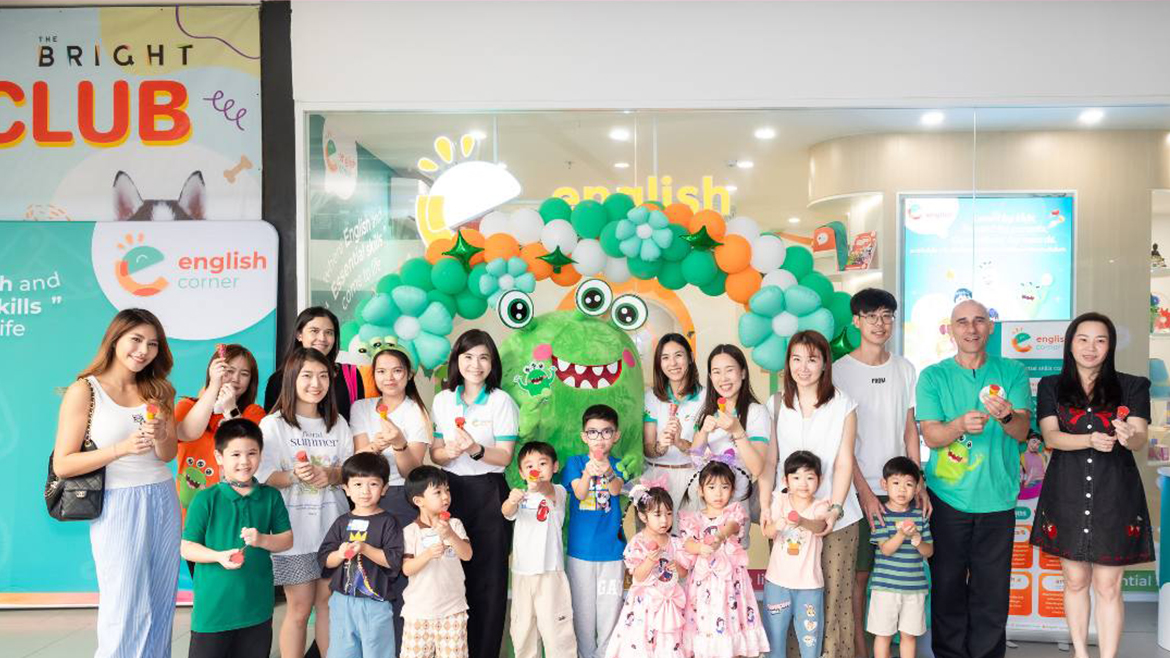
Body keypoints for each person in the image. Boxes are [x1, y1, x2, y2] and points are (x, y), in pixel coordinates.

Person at [52, 308, 181, 658]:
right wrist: (120, 449)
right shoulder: (85, 390)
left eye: (153, 344)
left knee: (160, 600)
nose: (144, 351)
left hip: (162, 496)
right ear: (114, 340)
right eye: (136, 340)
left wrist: (161, 434)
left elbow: (168, 454)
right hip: (116, 502)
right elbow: (63, 463)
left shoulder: (160, 390)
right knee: (123, 604)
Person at [1029, 312, 1153, 658]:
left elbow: (1139, 437)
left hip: (1115, 495)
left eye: (1100, 340)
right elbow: (1051, 437)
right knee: (1075, 581)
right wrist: (1089, 439)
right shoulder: (1052, 386)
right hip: (1066, 493)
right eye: (1083, 339)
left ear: (1110, 346)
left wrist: (1129, 436)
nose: (1091, 347)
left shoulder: (1132, 386)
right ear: (1070, 344)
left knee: (1109, 586)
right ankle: (1081, 653)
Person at [917, 299, 1031, 658]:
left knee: (991, 593)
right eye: (962, 322)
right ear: (951, 329)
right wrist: (958, 425)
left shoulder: (1012, 371)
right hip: (947, 498)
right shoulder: (933, 376)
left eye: (979, 321)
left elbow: (1022, 431)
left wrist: (1007, 416)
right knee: (947, 588)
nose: (971, 329)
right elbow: (931, 436)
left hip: (998, 498)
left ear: (990, 327)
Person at [829, 288, 923, 658]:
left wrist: (918, 483)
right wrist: (865, 493)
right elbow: (841, 441)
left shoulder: (905, 369)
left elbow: (910, 429)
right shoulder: (839, 372)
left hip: (899, 490)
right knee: (859, 576)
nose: (880, 323)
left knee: (901, 573)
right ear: (856, 321)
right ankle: (861, 651)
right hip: (856, 492)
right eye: (871, 316)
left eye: (887, 316)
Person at [761, 330, 860, 658]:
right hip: (786, 517)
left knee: (832, 599)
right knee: (788, 599)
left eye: (812, 359)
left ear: (825, 364)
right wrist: (766, 506)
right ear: (787, 363)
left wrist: (835, 508)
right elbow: (770, 461)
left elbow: (844, 461)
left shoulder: (843, 404)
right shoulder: (776, 404)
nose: (803, 367)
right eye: (796, 359)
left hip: (836, 517)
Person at [258, 346, 355, 658]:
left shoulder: (337, 423)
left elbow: (350, 472)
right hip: (294, 534)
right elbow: (263, 475)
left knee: (328, 605)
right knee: (299, 609)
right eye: (307, 376)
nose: (316, 383)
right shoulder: (273, 424)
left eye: (323, 376)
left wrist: (331, 474)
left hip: (333, 531)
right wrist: (294, 476)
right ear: (292, 378)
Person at [429, 329, 518, 658]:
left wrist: (476, 449)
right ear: (457, 360)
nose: (475, 365)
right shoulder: (442, 400)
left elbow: (505, 456)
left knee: (489, 579)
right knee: (451, 573)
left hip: (490, 493)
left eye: (483, 357)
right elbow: (435, 453)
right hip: (451, 492)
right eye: (468, 357)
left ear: (492, 363)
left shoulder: (501, 401)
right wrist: (448, 452)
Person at [180, 418, 294, 658]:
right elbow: (187, 548)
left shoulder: (271, 496)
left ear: (261, 454)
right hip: (213, 612)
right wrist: (218, 556)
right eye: (235, 454)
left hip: (257, 610)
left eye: (252, 453)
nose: (244, 461)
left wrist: (262, 540)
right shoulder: (205, 499)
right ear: (219, 457)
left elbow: (286, 540)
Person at [351, 346, 432, 654]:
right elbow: (357, 463)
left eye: (397, 371)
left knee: (398, 575)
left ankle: (401, 647)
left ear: (408, 375)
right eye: (381, 371)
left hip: (400, 498)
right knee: (366, 572)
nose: (389, 378)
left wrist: (399, 444)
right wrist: (375, 445)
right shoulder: (361, 407)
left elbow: (412, 471)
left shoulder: (416, 411)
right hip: (365, 497)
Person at [318, 452, 405, 658]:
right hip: (342, 602)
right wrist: (340, 554)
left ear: (384, 488)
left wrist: (365, 549)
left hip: (375, 603)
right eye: (357, 484)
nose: (365, 491)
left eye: (373, 484)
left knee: (378, 653)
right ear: (346, 489)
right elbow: (325, 559)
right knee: (341, 652)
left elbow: (393, 560)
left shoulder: (388, 522)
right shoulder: (341, 522)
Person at [680, 461, 770, 657]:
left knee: (731, 619)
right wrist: (700, 548)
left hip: (731, 582)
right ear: (701, 490)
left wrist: (720, 536)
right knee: (704, 622)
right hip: (702, 583)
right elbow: (687, 544)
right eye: (712, 487)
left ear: (732, 490)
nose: (718, 493)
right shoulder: (692, 518)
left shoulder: (734, 513)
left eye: (724, 487)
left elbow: (732, 526)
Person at [563, 404, 628, 658]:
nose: (599, 438)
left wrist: (609, 471)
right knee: (582, 615)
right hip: (580, 552)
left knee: (610, 613)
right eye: (593, 432)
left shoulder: (620, 464)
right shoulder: (575, 462)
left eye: (606, 432)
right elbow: (579, 493)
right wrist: (588, 473)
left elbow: (616, 490)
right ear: (584, 436)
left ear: (616, 435)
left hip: (612, 552)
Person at [176, 344, 267, 526]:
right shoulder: (187, 406)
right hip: (193, 512)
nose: (236, 379)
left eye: (244, 374)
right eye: (229, 371)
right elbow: (186, 433)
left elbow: (248, 446)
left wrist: (231, 410)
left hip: (237, 512)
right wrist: (214, 386)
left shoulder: (253, 413)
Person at [501, 441, 577, 658]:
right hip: (522, 574)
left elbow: (547, 490)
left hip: (550, 573)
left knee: (557, 632)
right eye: (529, 466)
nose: (536, 469)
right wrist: (512, 500)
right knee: (523, 630)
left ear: (555, 467)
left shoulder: (558, 492)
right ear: (521, 473)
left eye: (542, 463)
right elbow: (506, 511)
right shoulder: (520, 496)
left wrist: (537, 486)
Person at [603, 481, 690, 658]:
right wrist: (650, 560)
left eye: (668, 514)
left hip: (668, 605)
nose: (664, 520)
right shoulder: (638, 543)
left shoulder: (675, 542)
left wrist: (675, 564)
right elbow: (638, 576)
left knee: (668, 644)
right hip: (644, 606)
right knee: (641, 645)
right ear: (643, 517)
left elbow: (684, 573)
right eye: (657, 514)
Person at [690, 344, 771, 531]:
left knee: (731, 549)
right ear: (710, 377)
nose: (723, 378)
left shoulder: (756, 412)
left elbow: (757, 468)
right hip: (706, 507)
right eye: (716, 372)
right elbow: (694, 459)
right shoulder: (706, 412)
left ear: (743, 373)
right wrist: (703, 432)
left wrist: (737, 431)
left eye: (729, 370)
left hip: (736, 507)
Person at [761, 451, 830, 658]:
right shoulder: (780, 501)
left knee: (810, 640)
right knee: (774, 638)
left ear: (819, 480)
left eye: (810, 477)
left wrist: (801, 521)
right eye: (796, 477)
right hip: (777, 583)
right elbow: (767, 532)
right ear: (786, 480)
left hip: (809, 586)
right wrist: (777, 525)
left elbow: (821, 526)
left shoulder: (820, 505)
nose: (803, 484)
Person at [400, 466, 474, 658]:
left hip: (453, 611)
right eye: (438, 492)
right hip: (418, 613)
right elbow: (407, 569)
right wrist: (427, 555)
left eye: (447, 490)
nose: (445, 496)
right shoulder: (410, 531)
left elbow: (467, 555)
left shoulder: (455, 524)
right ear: (419, 501)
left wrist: (450, 535)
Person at [867, 457, 933, 658]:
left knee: (909, 636)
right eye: (896, 483)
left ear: (917, 488)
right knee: (883, 636)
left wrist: (917, 540)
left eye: (909, 484)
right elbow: (886, 550)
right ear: (884, 484)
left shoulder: (920, 516)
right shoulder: (880, 515)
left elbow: (929, 551)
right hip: (884, 588)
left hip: (914, 588)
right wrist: (901, 534)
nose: (902, 489)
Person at [264, 307, 366, 421]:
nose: (322, 338)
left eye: (329, 332)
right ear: (299, 335)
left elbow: (360, 422)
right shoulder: (279, 380)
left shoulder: (351, 374)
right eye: (314, 331)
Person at [643, 333, 704, 512]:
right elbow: (647, 447)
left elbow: (703, 452)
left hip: (691, 479)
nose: (673, 363)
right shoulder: (651, 397)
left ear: (690, 358)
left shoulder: (706, 397)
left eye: (678, 355)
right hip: (655, 479)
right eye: (665, 358)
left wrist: (679, 442)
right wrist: (660, 446)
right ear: (659, 363)